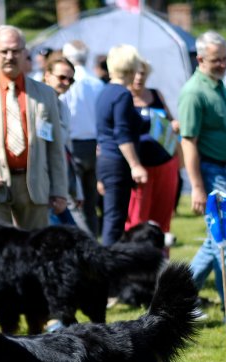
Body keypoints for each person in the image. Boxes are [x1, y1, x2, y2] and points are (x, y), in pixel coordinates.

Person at [0, 24, 68, 324]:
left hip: (34, 188)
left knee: (38, 260)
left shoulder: (44, 93)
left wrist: (59, 190)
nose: (10, 56)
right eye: (4, 51)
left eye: (16, 50)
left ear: (25, 53)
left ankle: (37, 324)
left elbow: (56, 146)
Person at [177, 31, 226, 329]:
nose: (222, 63)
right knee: (225, 242)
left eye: (225, 58)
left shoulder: (219, 85)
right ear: (200, 59)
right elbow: (189, 142)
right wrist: (197, 186)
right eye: (215, 59)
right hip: (212, 173)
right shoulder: (194, 92)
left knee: (216, 242)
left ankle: (178, 301)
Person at [95, 44, 147, 246]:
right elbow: (122, 134)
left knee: (112, 217)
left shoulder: (105, 91)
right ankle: (108, 272)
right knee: (115, 221)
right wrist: (135, 165)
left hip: (106, 161)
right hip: (117, 163)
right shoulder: (122, 94)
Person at [126, 55, 180, 241]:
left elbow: (170, 118)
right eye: (135, 73)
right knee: (137, 219)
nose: (139, 78)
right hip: (140, 168)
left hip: (165, 163)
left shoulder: (155, 94)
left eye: (142, 73)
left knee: (163, 217)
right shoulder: (124, 97)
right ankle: (135, 262)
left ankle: (161, 262)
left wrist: (174, 124)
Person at [61, 40, 104, 237]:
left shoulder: (68, 84)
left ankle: (86, 242)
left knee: (76, 203)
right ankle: (92, 238)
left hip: (74, 146)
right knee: (90, 203)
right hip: (94, 145)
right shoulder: (96, 83)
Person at [42, 56, 85, 228]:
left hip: (59, 184)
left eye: (71, 79)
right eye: (62, 77)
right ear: (47, 75)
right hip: (41, 185)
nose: (66, 82)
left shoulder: (63, 107)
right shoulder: (36, 103)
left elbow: (67, 150)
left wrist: (77, 189)